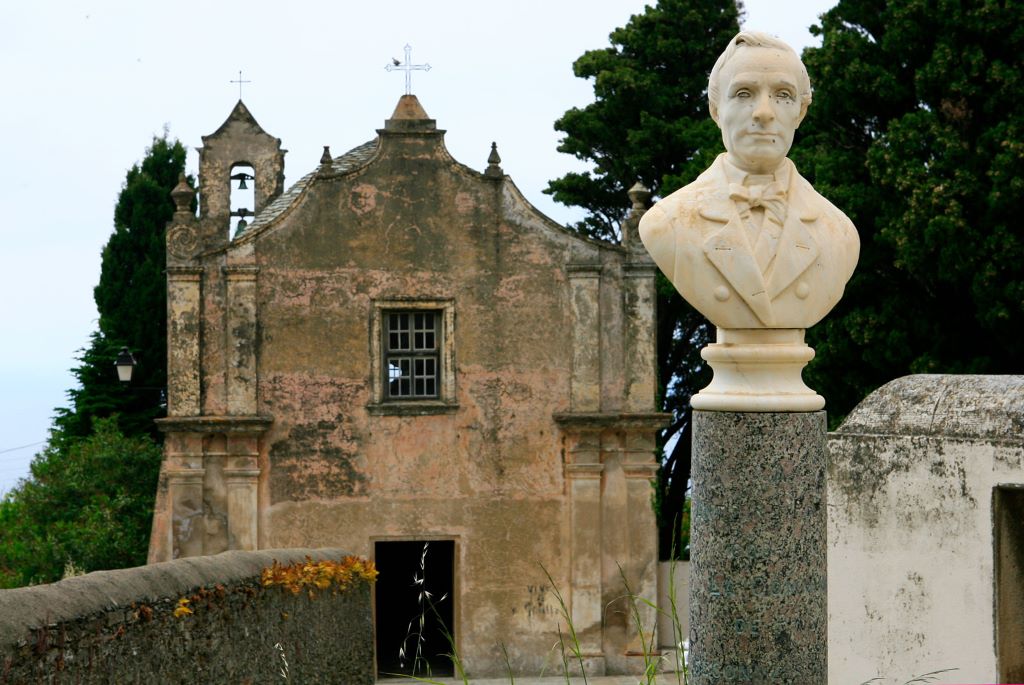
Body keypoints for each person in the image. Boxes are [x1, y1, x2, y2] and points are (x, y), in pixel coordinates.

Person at [639, 31, 859, 330]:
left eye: (783, 95)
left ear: (801, 112)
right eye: (743, 93)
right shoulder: (666, 223)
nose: (764, 113)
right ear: (715, 110)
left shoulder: (840, 234)